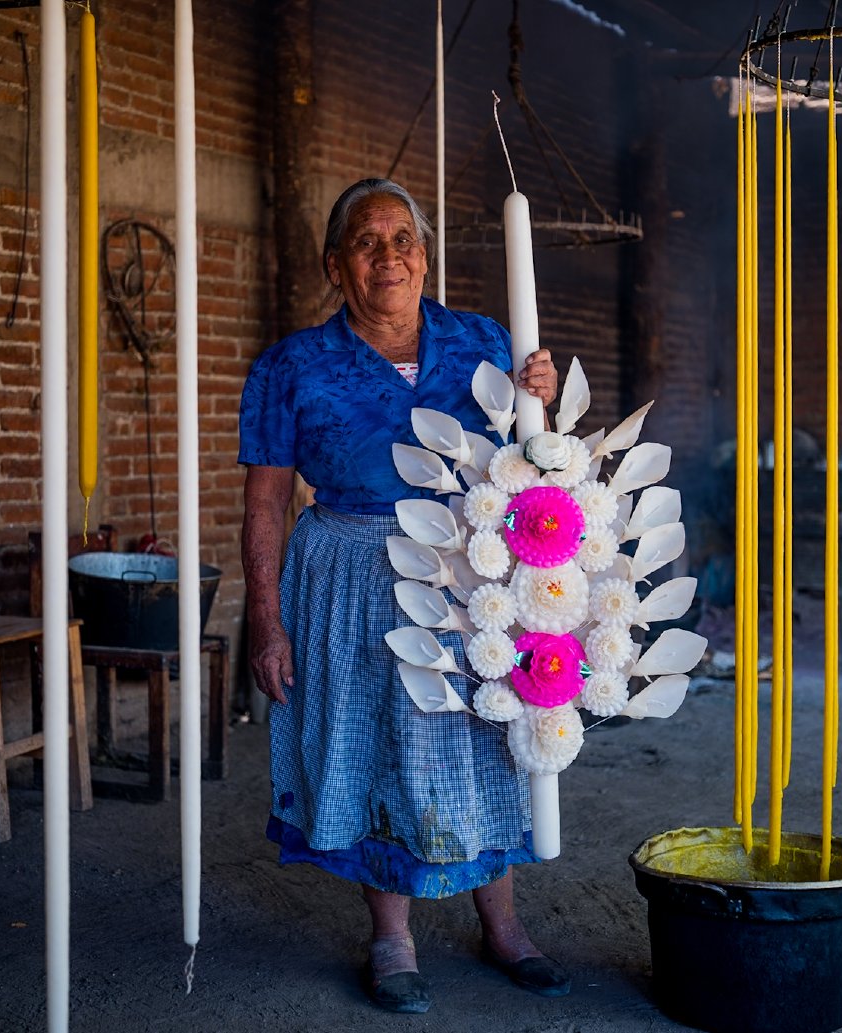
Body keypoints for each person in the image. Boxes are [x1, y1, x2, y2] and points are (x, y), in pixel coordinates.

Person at [238, 178, 566, 1014]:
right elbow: (267, 502)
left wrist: (543, 399)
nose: (389, 255)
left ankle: (504, 924)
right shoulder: (291, 366)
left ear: (425, 257)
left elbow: (534, 462)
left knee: (484, 737)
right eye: (366, 241)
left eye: (403, 239)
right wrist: (267, 621)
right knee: (373, 740)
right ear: (336, 264)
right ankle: (393, 938)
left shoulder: (487, 343)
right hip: (347, 572)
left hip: (464, 573)